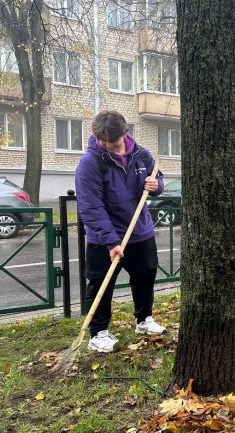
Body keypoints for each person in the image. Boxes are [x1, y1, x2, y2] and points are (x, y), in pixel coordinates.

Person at [75, 110, 167, 353]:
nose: (108, 147)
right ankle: (98, 332)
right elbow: (91, 206)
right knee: (100, 283)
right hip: (104, 238)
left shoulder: (141, 154)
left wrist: (156, 186)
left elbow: (158, 178)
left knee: (145, 275)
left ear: (125, 134)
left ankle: (144, 320)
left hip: (140, 230)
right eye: (103, 142)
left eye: (113, 143)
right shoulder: (90, 163)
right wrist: (111, 241)